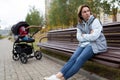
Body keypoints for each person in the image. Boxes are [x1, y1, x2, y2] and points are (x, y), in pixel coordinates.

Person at [44, 4, 107, 80]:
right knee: (73, 58)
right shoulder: (80, 24)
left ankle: (62, 78)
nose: (87, 13)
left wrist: (84, 35)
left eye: (88, 11)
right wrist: (88, 35)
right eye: (84, 12)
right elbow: (79, 38)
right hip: (84, 44)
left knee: (79, 59)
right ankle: (57, 76)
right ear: (81, 14)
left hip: (96, 44)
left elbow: (94, 37)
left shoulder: (95, 21)